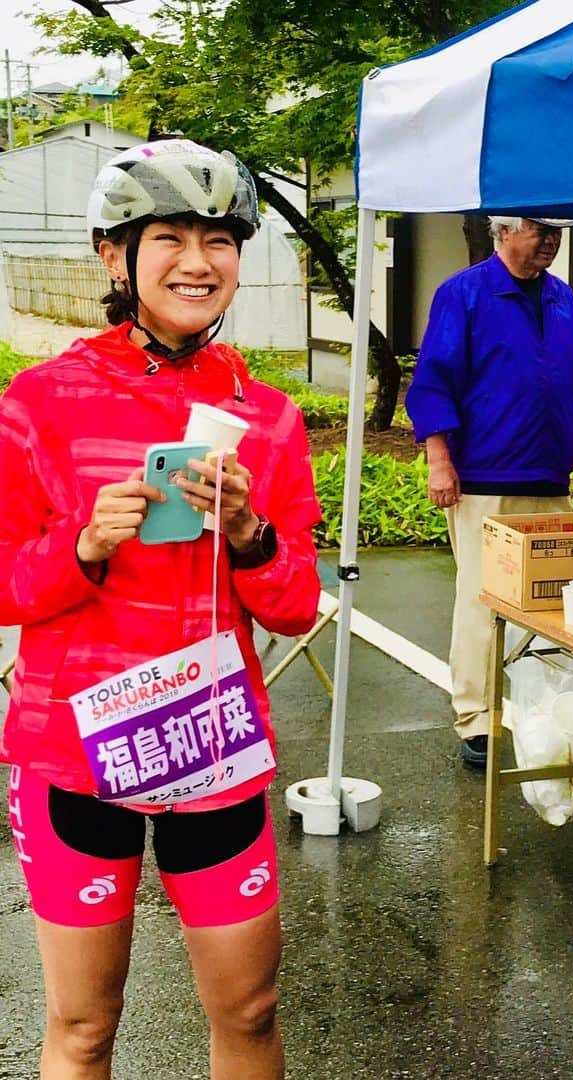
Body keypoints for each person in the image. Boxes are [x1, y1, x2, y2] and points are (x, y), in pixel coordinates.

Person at [0, 139, 321, 1078]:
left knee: (252, 1012)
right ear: (115, 255)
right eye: (169, 236)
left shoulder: (266, 417)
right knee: (85, 1029)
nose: (197, 261)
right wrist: (85, 545)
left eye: (219, 239)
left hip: (210, 744)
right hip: (73, 749)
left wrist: (252, 534)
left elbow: (297, 606)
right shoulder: (41, 403)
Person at [406, 217, 573, 769]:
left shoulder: (563, 298)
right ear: (504, 231)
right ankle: (477, 719)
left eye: (557, 232)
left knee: (556, 605)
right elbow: (434, 382)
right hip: (485, 479)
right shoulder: (463, 293)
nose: (551, 240)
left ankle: (556, 714)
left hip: (550, 477)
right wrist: (439, 460)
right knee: (481, 603)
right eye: (540, 230)